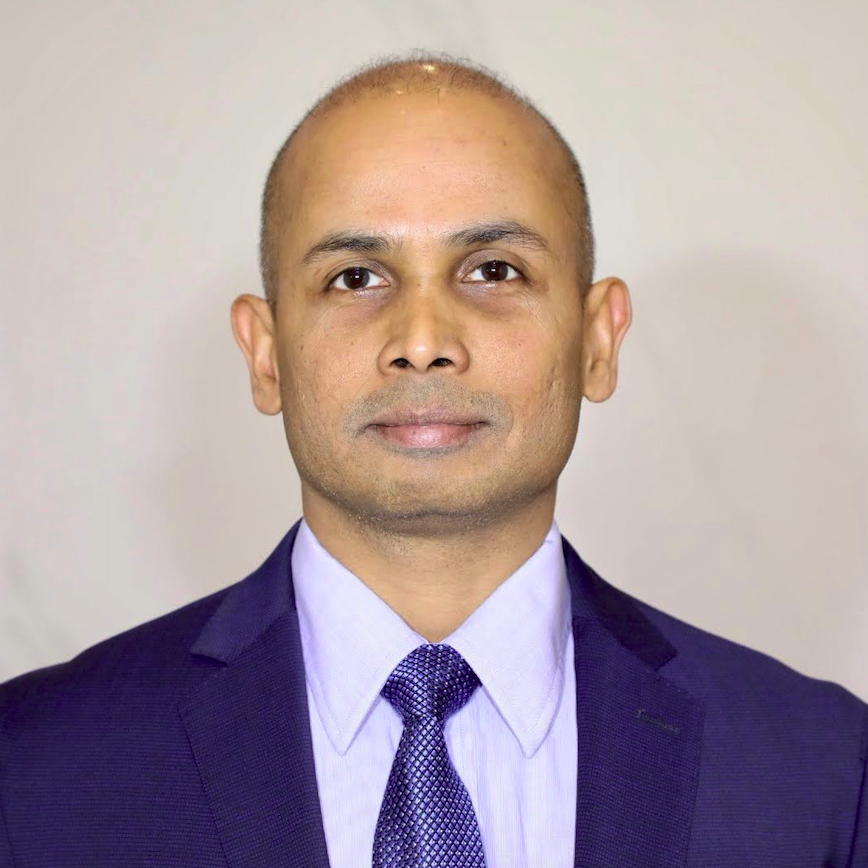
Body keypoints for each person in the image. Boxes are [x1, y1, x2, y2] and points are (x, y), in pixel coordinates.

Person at [0, 50, 865, 868]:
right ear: (264, 354)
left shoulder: (823, 776)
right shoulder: (34, 770)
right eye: (355, 277)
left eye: (492, 270)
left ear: (599, 341)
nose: (422, 342)